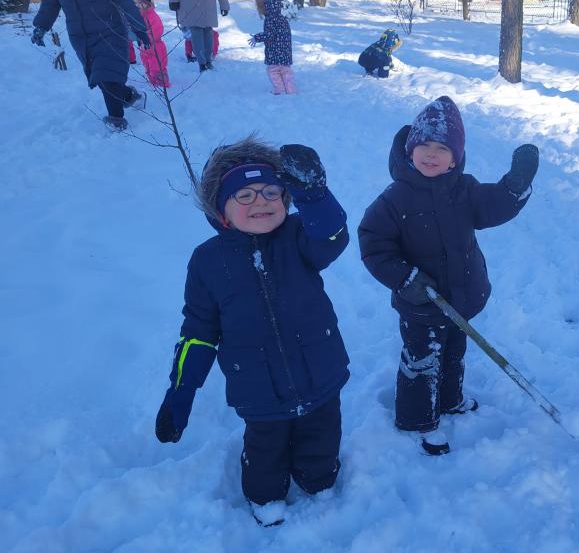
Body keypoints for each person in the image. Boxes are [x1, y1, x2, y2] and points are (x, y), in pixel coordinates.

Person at [154, 137, 350, 527]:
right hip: (258, 390)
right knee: (265, 460)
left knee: (321, 453)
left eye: (270, 192)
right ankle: (265, 501)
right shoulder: (207, 261)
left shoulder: (300, 236)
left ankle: (318, 486)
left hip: (320, 377)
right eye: (244, 195)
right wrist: (181, 391)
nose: (260, 202)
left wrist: (314, 196)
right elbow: (198, 332)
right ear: (221, 209)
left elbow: (333, 237)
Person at [358, 96, 539, 455]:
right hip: (421, 302)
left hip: (460, 296)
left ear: (455, 157)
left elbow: (492, 207)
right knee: (422, 360)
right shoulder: (395, 198)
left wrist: (514, 186)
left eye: (442, 148)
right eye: (424, 145)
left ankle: (450, 400)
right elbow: (374, 243)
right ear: (410, 150)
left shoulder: (464, 189)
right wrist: (406, 279)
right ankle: (417, 421)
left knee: (454, 352)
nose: (431, 154)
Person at [30, 0, 149, 131]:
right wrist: (41, 26)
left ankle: (116, 123)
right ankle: (130, 96)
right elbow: (51, 0)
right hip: (80, 36)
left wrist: (138, 27)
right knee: (101, 79)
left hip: (108, 29)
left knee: (106, 77)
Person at [164, 0, 229, 72]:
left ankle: (205, 63)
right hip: (196, 1)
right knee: (201, 31)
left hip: (195, 1)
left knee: (203, 31)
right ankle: (205, 62)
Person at [249, 0, 296, 95]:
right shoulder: (283, 19)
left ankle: (280, 91)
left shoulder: (269, 20)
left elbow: (269, 34)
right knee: (286, 72)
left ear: (264, 6)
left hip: (274, 54)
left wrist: (257, 37)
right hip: (285, 53)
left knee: (273, 72)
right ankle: (290, 90)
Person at [132, 0, 170, 88]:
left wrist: (147, 37)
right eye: (135, 3)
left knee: (157, 67)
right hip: (144, 48)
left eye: (140, 3)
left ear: (147, 4)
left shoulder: (152, 16)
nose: (137, 6)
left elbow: (158, 29)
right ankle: (153, 83)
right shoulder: (139, 17)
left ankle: (163, 85)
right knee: (147, 66)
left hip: (155, 47)